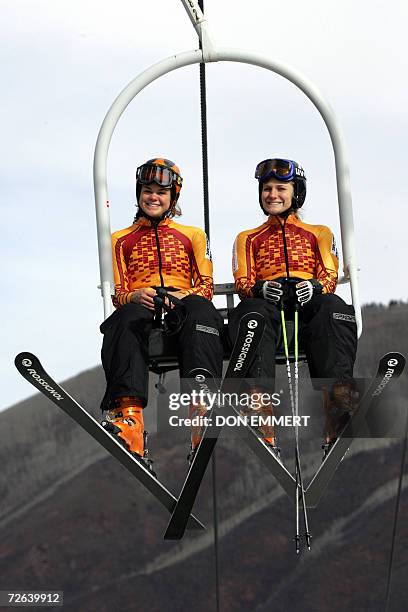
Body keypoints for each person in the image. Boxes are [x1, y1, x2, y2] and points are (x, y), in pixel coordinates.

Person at [99, 158, 224, 472]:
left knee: (201, 310)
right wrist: (136, 295)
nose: (153, 197)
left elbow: (206, 285)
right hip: (144, 310)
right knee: (123, 318)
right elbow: (118, 292)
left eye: (161, 192)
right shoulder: (120, 240)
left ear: (173, 199)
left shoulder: (193, 235)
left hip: (182, 307)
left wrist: (181, 297)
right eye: (148, 190)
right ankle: (129, 420)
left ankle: (201, 411)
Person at [229, 158, 358, 456]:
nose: (272, 195)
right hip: (268, 305)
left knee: (332, 306)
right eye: (267, 189)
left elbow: (329, 273)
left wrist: (315, 287)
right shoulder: (247, 238)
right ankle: (259, 409)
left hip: (308, 304)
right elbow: (243, 281)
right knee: (250, 312)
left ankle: (337, 404)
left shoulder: (319, 233)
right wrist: (260, 288)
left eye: (280, 188)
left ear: (295, 192)